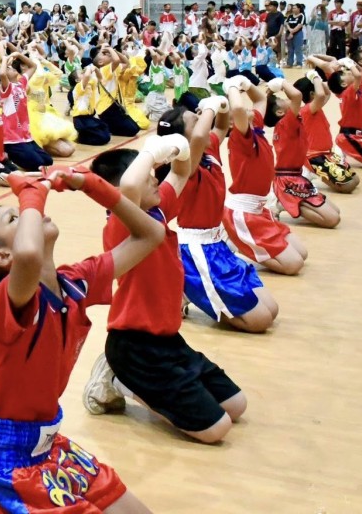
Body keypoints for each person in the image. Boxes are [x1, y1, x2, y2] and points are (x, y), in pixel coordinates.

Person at [0, 165, 165, 514]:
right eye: (16, 219)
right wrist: (30, 194)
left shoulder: (75, 282)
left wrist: (91, 183)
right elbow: (28, 256)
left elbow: (150, 235)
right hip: (4, 464)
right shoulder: (5, 300)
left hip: (47, 446)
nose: (30, 216)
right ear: (3, 257)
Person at [84, 134, 249, 444]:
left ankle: (135, 381)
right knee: (217, 430)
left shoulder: (156, 211)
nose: (154, 180)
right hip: (136, 349)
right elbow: (131, 187)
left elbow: (181, 172)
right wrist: (150, 151)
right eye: (149, 178)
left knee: (236, 406)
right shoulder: (119, 224)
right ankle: (119, 381)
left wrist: (180, 149)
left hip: (169, 341)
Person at [158, 100, 279, 334]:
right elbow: (199, 136)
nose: (200, 116)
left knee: (271, 310)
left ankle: (186, 289)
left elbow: (221, 128)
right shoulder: (184, 166)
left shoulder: (208, 149)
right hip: (196, 250)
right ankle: (185, 284)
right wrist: (212, 106)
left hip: (217, 244)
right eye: (194, 119)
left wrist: (222, 108)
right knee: (260, 322)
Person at [219, 75, 307, 275]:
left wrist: (248, 85)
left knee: (302, 254)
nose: (246, 109)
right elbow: (239, 109)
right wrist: (232, 86)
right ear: (231, 123)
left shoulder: (255, 127)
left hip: (260, 210)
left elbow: (260, 100)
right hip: (244, 214)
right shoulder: (239, 138)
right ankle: (235, 245)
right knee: (294, 265)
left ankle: (240, 241)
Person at [267, 77, 341, 229]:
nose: (285, 98)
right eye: (281, 100)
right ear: (280, 112)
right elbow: (296, 95)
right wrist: (281, 83)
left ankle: (286, 201)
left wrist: (269, 93)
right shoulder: (286, 122)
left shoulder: (290, 120)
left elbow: (316, 96)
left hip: (296, 176)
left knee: (336, 212)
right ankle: (284, 202)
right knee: (333, 220)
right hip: (287, 181)